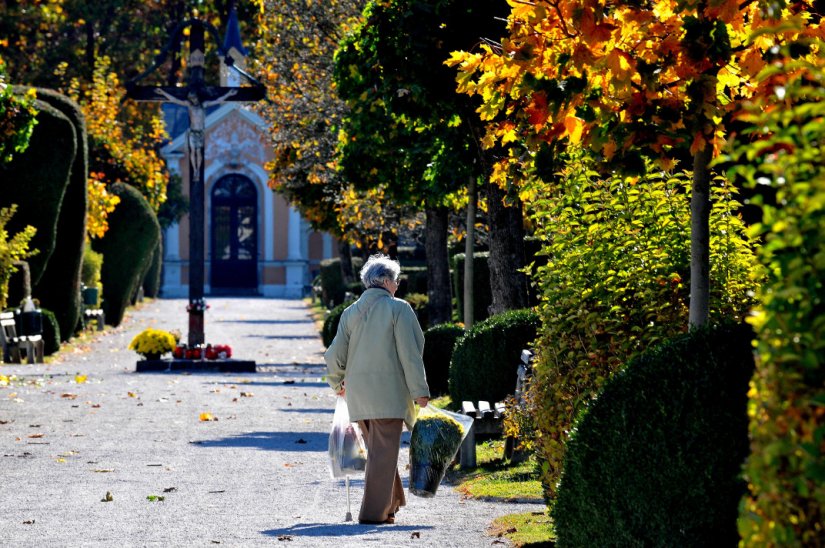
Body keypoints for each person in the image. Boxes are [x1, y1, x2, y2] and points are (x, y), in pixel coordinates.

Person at [325, 254, 430, 525]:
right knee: (383, 454)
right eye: (395, 280)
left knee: (380, 452)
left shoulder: (350, 313)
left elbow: (334, 355)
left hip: (358, 396)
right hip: (388, 394)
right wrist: (420, 391)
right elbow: (410, 354)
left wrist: (338, 383)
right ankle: (373, 514)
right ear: (384, 281)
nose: (397, 285)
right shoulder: (399, 309)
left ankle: (392, 505)